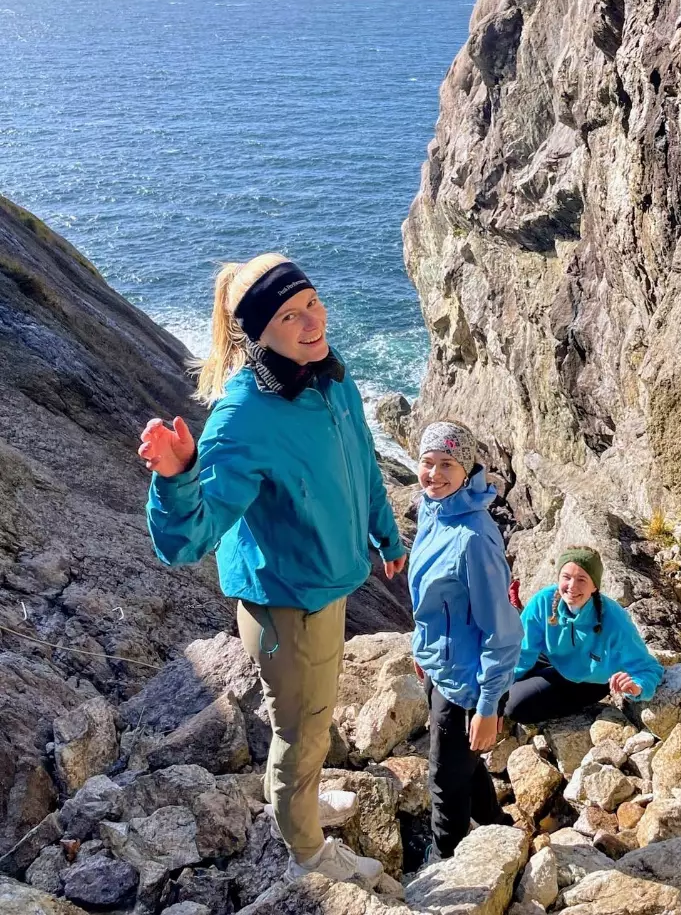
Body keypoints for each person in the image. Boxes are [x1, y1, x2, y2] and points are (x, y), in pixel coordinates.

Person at [139, 253, 407, 885]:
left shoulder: (331, 378)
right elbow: (187, 540)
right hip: (286, 604)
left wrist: (386, 533)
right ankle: (308, 852)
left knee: (311, 716)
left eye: (311, 302)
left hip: (326, 582)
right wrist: (177, 477)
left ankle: (297, 802)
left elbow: (363, 463)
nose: (312, 321)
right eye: (289, 316)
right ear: (258, 333)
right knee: (303, 730)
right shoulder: (244, 416)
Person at [408, 421, 523, 861]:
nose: (434, 474)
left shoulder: (474, 538)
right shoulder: (433, 510)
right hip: (441, 665)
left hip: (470, 684)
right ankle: (499, 829)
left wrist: (488, 707)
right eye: (428, 462)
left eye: (447, 464)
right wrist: (423, 647)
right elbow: (432, 597)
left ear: (466, 469)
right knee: (464, 766)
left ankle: (448, 864)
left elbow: (502, 631)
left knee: (444, 782)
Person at [505, 547, 663, 724]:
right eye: (566, 577)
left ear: (594, 586)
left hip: (587, 680)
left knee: (514, 706)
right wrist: (496, 689)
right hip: (551, 657)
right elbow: (521, 652)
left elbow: (649, 668)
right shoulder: (543, 602)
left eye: (581, 579)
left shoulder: (614, 619)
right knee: (496, 682)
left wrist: (636, 688)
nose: (572, 586)